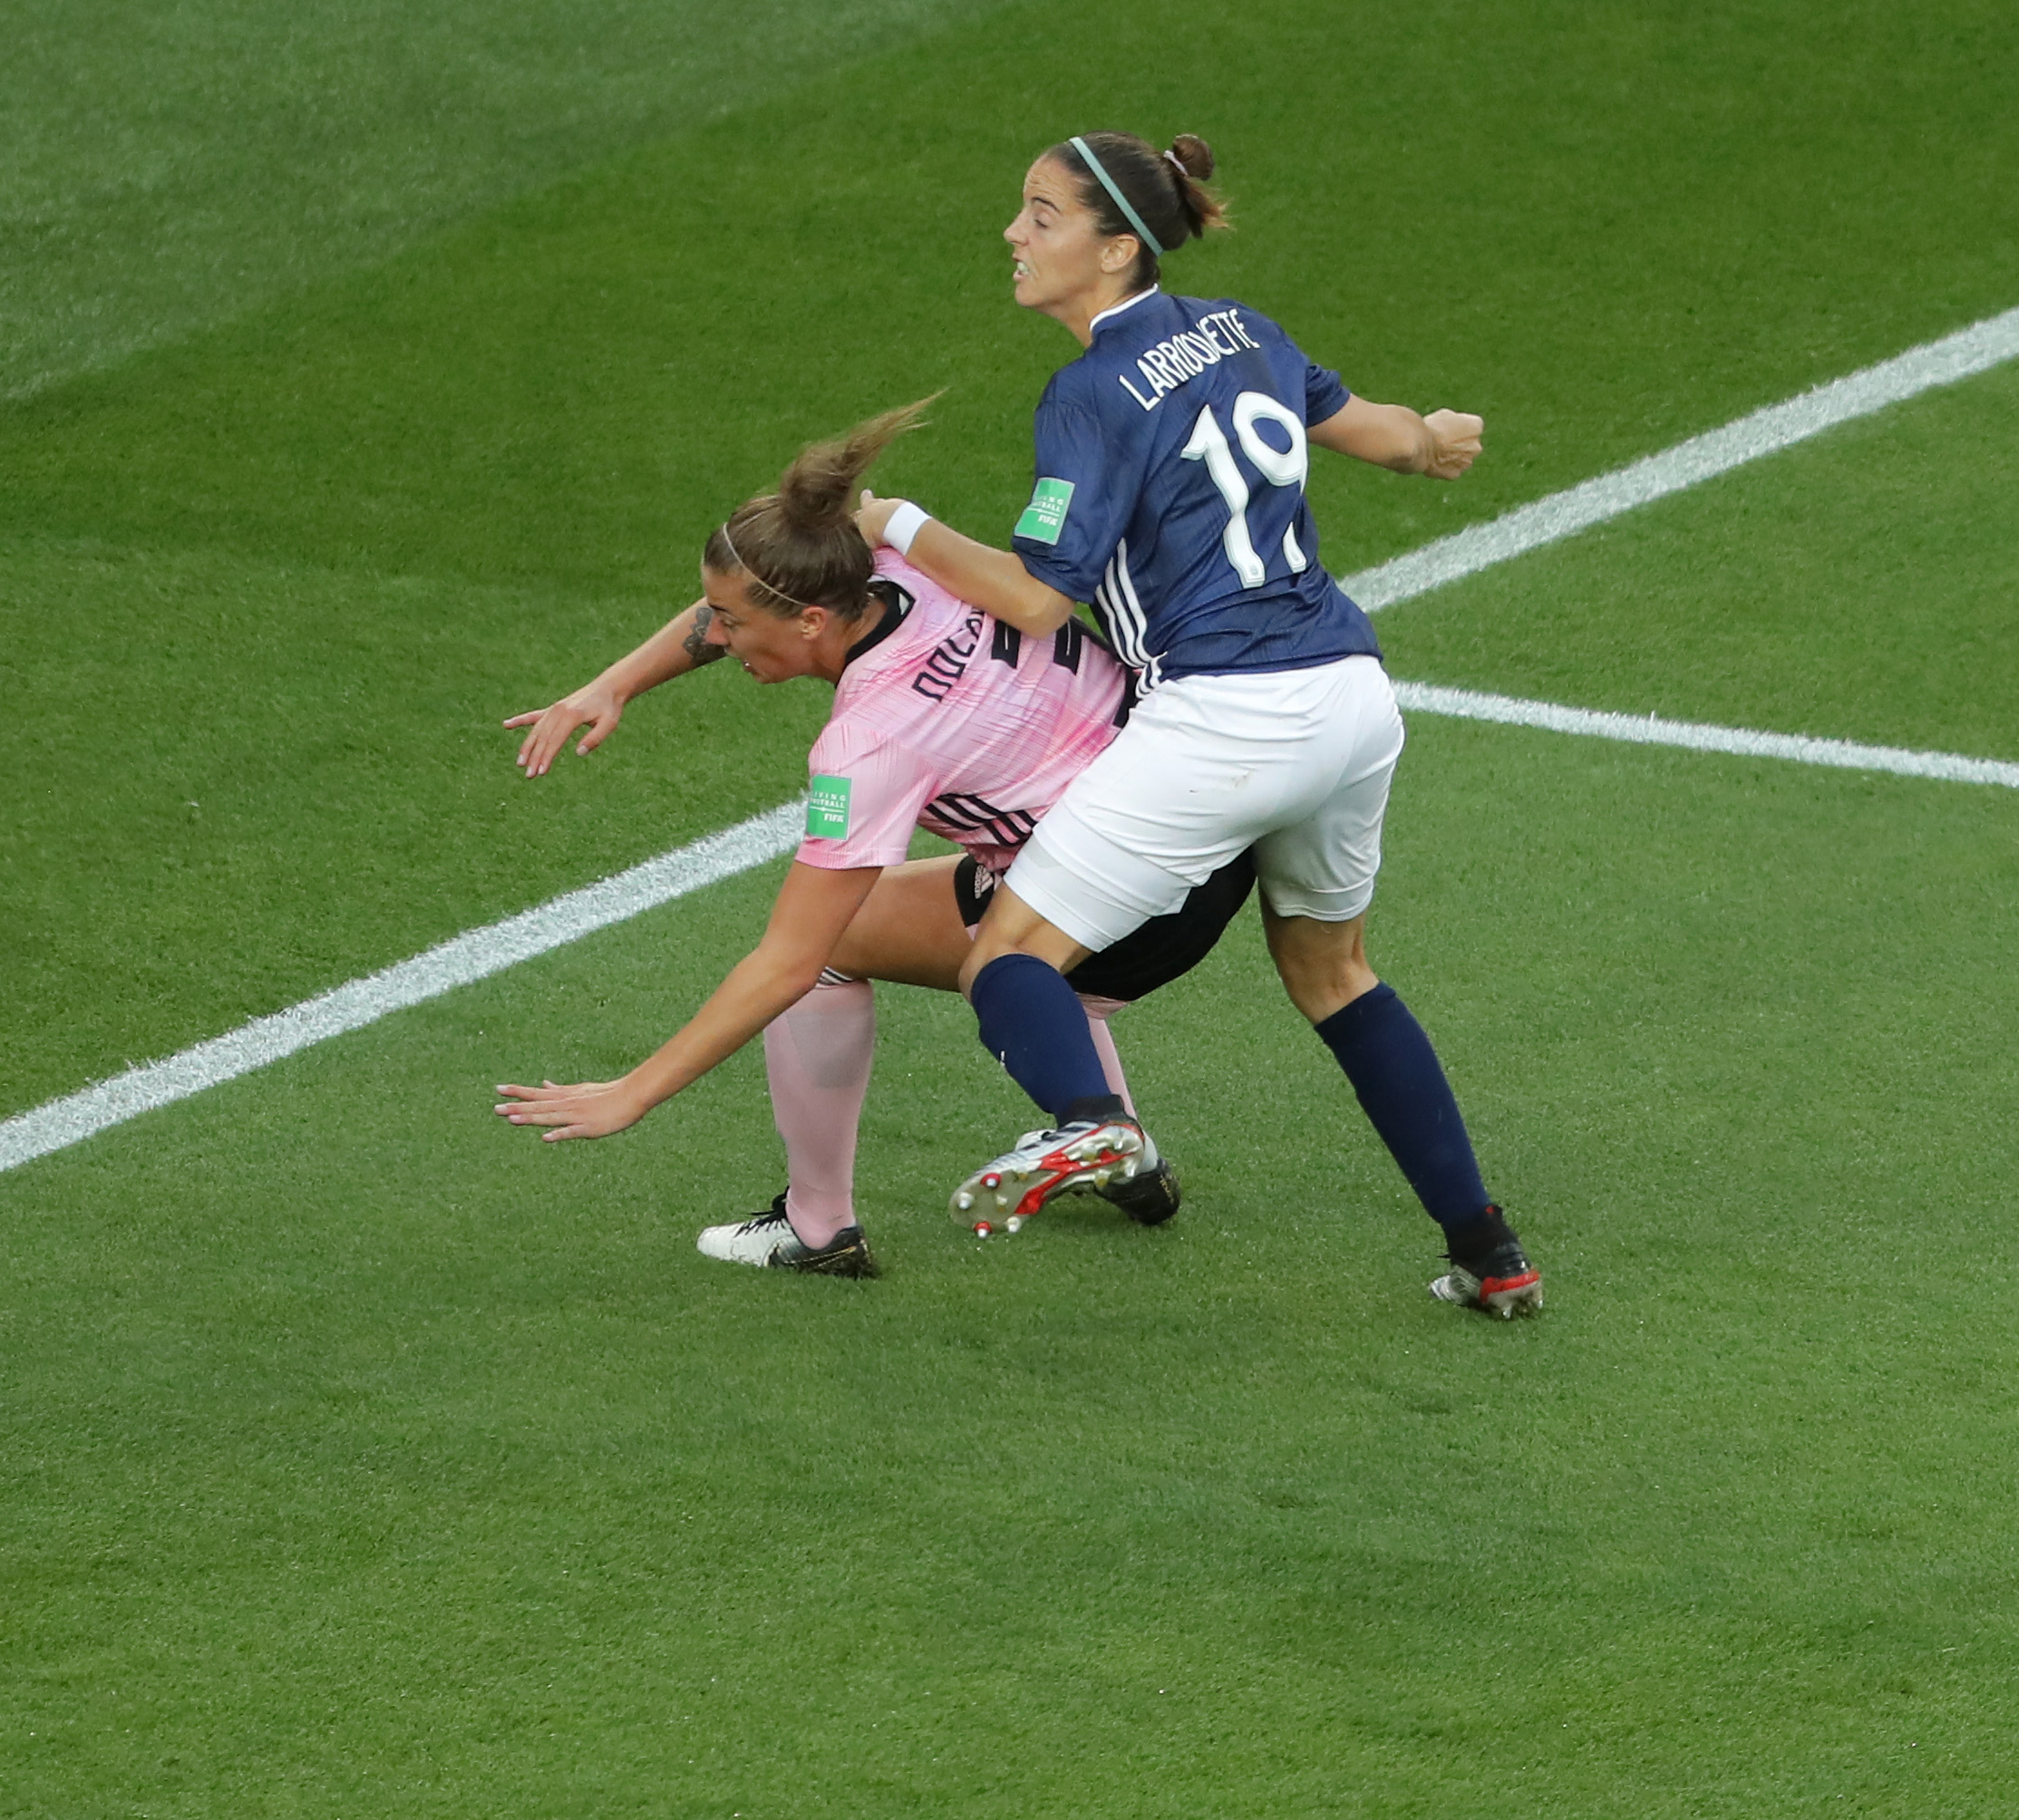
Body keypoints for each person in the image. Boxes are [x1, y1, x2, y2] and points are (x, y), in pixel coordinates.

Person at [860, 131, 1539, 1316]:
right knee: (1334, 976)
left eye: (1039, 216)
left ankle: (1091, 1129)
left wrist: (897, 523)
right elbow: (1385, 437)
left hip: (1224, 714)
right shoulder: (1245, 330)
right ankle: (1489, 1253)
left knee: (1009, 960)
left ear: (1114, 248)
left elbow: (1034, 597)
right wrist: (1436, 438)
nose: (1012, 236)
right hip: (1349, 696)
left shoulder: (1085, 392)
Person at [494, 402, 1260, 1273]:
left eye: (733, 623)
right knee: (1006, 907)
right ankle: (1119, 1152)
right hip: (1211, 838)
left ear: (812, 622)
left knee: (832, 950)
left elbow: (786, 960)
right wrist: (618, 683)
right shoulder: (900, 562)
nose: (717, 636)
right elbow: (755, 585)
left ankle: (817, 1226)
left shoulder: (869, 744)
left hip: (1126, 903)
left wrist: (632, 1093)